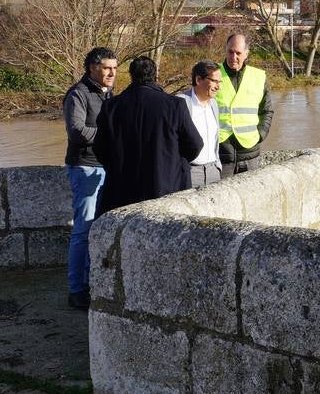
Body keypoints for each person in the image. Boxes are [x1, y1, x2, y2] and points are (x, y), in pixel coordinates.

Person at [94, 56, 203, 216]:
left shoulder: (111, 106)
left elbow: (100, 149)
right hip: (165, 186)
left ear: (131, 76)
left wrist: (117, 166)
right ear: (155, 76)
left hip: (122, 188)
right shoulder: (174, 105)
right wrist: (173, 162)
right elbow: (195, 144)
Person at [62, 47, 117, 310]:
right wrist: (109, 136)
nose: (112, 73)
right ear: (92, 68)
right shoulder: (78, 94)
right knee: (83, 230)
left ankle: (92, 282)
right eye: (107, 68)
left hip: (106, 167)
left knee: (98, 228)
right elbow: (76, 132)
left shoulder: (108, 94)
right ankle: (76, 290)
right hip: (85, 168)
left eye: (115, 68)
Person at [217, 33, 273, 178]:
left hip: (250, 154)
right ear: (225, 49)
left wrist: (261, 134)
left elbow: (267, 110)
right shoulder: (213, 75)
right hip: (222, 155)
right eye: (230, 51)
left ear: (246, 54)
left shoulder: (258, 77)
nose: (233, 57)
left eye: (238, 53)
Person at [178, 59, 223, 189]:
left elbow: (215, 139)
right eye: (214, 81)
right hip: (190, 173)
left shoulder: (214, 104)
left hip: (213, 172)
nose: (218, 86)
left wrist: (217, 166)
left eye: (219, 82)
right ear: (198, 80)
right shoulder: (181, 103)